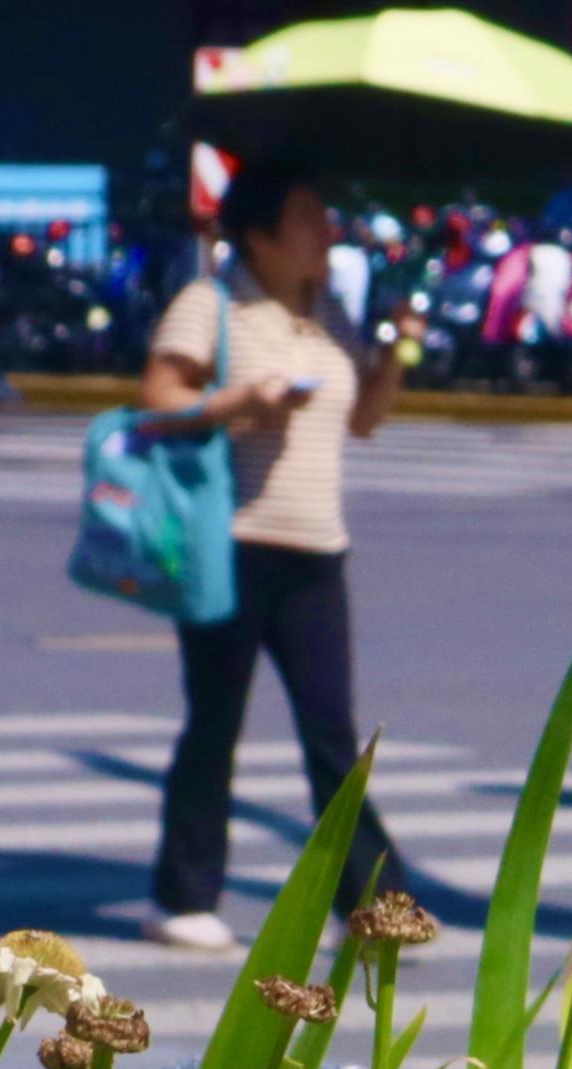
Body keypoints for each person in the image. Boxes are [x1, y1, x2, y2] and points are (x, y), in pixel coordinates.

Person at [130, 159, 407, 954]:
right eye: (308, 215)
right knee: (215, 723)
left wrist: (400, 350)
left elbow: (364, 419)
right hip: (232, 546)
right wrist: (240, 401)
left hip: (318, 552)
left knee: (333, 735)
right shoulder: (211, 304)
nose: (326, 230)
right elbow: (159, 397)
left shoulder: (327, 311)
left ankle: (372, 904)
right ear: (260, 235)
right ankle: (182, 897)